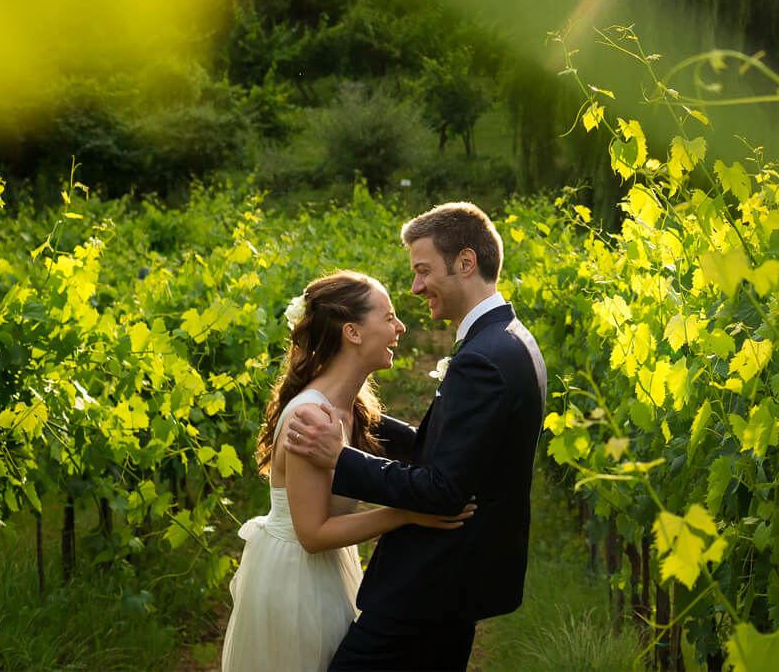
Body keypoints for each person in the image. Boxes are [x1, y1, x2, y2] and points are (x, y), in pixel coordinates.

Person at [287, 201, 548, 672]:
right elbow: (459, 444)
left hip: (430, 587)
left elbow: (443, 489)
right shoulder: (509, 338)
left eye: (423, 270)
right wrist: (354, 413)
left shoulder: (483, 357)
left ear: (465, 262)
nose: (415, 287)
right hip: (456, 584)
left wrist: (339, 456)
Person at [221, 271, 474, 672]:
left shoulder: (351, 409)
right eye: (388, 317)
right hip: (295, 582)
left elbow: (417, 449)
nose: (400, 327)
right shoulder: (310, 416)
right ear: (353, 332)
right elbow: (312, 534)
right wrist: (407, 514)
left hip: (327, 573)